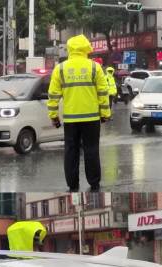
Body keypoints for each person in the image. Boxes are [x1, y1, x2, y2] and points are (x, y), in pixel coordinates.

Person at [48, 34, 111, 193]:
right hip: (91, 118)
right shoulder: (94, 67)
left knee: (71, 151)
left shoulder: (60, 69)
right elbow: (103, 93)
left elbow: (53, 95)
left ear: (69, 49)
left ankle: (72, 184)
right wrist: (105, 113)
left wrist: (54, 116)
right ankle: (94, 183)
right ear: (86, 49)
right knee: (91, 150)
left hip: (71, 119)